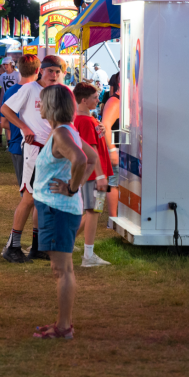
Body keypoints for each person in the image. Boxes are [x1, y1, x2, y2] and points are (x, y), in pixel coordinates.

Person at [31, 84, 97, 339]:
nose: (39, 106)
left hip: (57, 209)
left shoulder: (61, 133)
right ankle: (63, 323)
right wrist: (75, 186)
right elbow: (90, 158)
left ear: (51, 106)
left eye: (42, 102)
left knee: (62, 270)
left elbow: (81, 159)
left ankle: (63, 328)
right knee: (62, 268)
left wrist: (72, 187)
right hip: (57, 208)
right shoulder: (64, 131)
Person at [0, 55, 66, 263]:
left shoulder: (59, 92)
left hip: (52, 151)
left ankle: (37, 246)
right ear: (41, 71)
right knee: (29, 198)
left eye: (57, 72)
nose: (54, 75)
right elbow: (5, 109)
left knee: (43, 200)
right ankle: (13, 246)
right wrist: (24, 127)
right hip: (35, 149)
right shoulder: (29, 89)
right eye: (50, 71)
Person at [73, 83, 112, 266]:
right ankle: (88, 255)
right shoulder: (86, 121)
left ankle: (68, 242)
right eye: (95, 98)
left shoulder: (85, 119)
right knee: (94, 210)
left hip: (93, 174)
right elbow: (92, 151)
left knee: (91, 211)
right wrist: (100, 176)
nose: (98, 100)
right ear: (84, 100)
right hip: (95, 175)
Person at [2, 55, 40, 187]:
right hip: (33, 144)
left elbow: (3, 122)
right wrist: (25, 127)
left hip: (18, 144)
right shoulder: (38, 90)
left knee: (27, 191)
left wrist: (17, 126)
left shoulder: (10, 91)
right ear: (38, 70)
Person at [101, 79, 120, 224]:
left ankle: (114, 219)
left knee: (116, 183)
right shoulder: (115, 101)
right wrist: (112, 150)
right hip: (117, 147)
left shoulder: (121, 101)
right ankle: (112, 219)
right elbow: (105, 126)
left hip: (123, 147)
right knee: (114, 183)